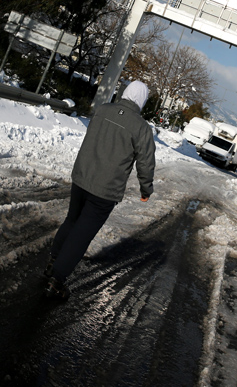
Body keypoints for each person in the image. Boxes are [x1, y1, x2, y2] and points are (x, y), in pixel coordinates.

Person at [44, 80, 156, 300]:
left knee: (72, 221)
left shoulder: (103, 109)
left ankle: (52, 262)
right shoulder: (141, 128)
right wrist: (146, 188)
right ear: (142, 100)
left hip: (82, 178)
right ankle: (56, 280)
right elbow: (146, 162)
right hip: (105, 190)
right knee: (82, 235)